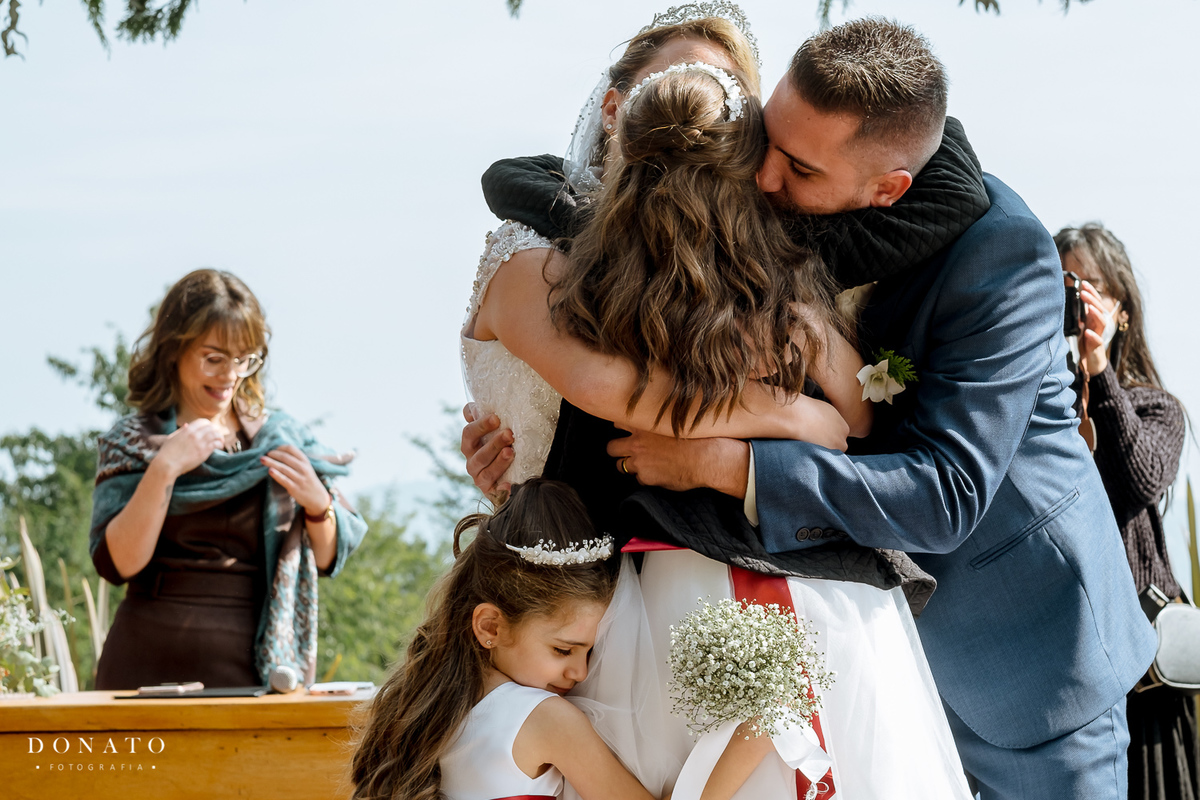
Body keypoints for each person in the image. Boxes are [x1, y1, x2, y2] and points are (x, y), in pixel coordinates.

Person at [469, 16, 1158, 800]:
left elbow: (946, 494)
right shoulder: (771, 207)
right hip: (859, 632)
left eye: (796, 166)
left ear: (888, 186)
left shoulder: (1000, 255)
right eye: (764, 142)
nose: (764, 181)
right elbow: (610, 202)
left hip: (1020, 655)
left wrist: (733, 463)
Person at [349, 478, 771, 800]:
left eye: (591, 650)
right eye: (562, 649)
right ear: (490, 627)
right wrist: (757, 735)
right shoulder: (545, 717)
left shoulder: (431, 706)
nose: (580, 670)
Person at [89, 269, 367, 690]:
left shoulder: (283, 438)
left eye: (245, 359)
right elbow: (118, 564)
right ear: (173, 351)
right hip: (144, 666)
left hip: (257, 669)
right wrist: (165, 467)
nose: (231, 375)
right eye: (214, 358)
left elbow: (330, 558)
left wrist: (317, 504)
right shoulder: (134, 442)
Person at [1055, 223, 1197, 800]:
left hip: (1145, 677)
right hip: (1069, 661)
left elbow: (1137, 478)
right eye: (1064, 284)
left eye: (1088, 285)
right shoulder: (1047, 406)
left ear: (1123, 308)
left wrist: (1099, 370)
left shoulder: (1157, 407)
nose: (1075, 298)